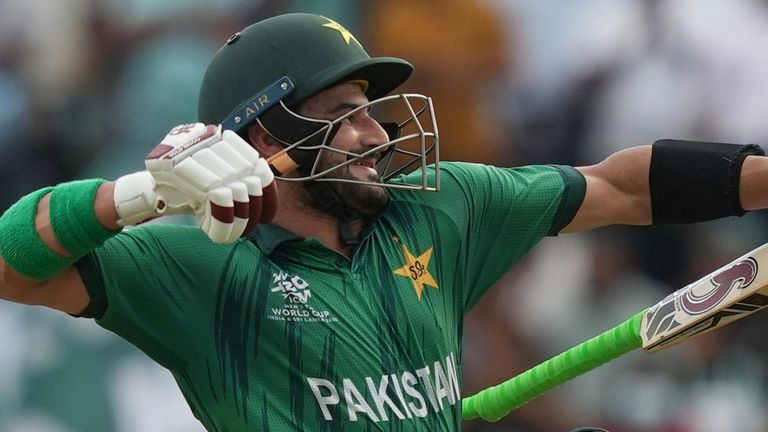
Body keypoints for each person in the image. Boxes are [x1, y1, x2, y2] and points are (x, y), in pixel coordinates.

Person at [1, 12, 767, 432]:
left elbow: (620, 186)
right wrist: (130, 198)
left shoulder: (439, 205)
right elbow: (10, 268)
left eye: (370, 111)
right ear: (264, 139)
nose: (376, 134)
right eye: (345, 114)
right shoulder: (189, 262)